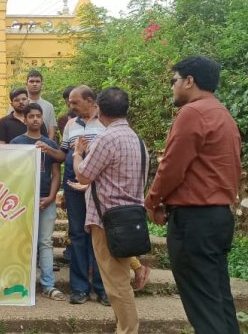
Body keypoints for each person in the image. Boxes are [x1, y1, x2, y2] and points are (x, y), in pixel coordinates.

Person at [144, 56, 242, 334]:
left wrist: (152, 200)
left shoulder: (193, 113)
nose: (172, 87)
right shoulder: (223, 114)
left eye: (174, 80)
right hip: (218, 217)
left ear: (189, 81)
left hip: (194, 220)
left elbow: (173, 166)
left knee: (203, 304)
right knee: (218, 299)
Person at [75, 87, 147, 334]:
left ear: (99, 110)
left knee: (117, 285)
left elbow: (84, 175)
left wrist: (77, 155)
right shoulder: (137, 140)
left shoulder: (106, 139)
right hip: (131, 218)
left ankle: (128, 330)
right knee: (119, 279)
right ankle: (122, 327)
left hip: (108, 220)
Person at [10, 103, 65, 301]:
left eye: (38, 116)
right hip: (23, 201)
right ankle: (21, 282)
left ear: (42, 119)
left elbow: (57, 171)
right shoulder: (16, 142)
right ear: (24, 119)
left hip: (45, 199)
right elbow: (10, 173)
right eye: (31, 116)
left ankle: (48, 284)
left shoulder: (50, 143)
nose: (35, 119)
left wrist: (51, 197)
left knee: (45, 242)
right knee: (22, 241)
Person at [61, 85, 108, 306]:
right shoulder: (70, 125)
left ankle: (103, 287)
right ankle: (79, 288)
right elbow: (64, 154)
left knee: (100, 235)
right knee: (78, 234)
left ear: (90, 101)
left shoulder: (106, 123)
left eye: (75, 102)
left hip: (100, 188)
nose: (71, 106)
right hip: (73, 185)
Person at [26, 69, 57, 140]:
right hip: (22, 147)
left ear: (42, 85)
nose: (34, 84)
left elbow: (51, 131)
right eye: (31, 81)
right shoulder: (19, 105)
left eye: (37, 81)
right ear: (26, 84)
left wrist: (47, 146)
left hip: (43, 146)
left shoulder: (49, 106)